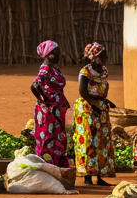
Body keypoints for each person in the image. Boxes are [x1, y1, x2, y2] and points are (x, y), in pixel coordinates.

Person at [74, 41, 116, 186]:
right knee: (89, 142)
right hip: (88, 110)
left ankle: (99, 175)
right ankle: (87, 175)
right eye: (102, 54)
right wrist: (100, 101)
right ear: (93, 56)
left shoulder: (103, 71)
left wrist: (105, 101)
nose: (105, 57)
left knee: (102, 142)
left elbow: (99, 92)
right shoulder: (85, 72)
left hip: (101, 109)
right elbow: (83, 92)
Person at [29, 40, 71, 167]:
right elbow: (35, 85)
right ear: (49, 54)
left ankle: (57, 167)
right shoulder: (46, 68)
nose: (59, 54)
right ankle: (49, 166)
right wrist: (43, 100)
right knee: (48, 139)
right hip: (49, 112)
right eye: (55, 52)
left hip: (56, 111)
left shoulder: (53, 69)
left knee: (58, 139)